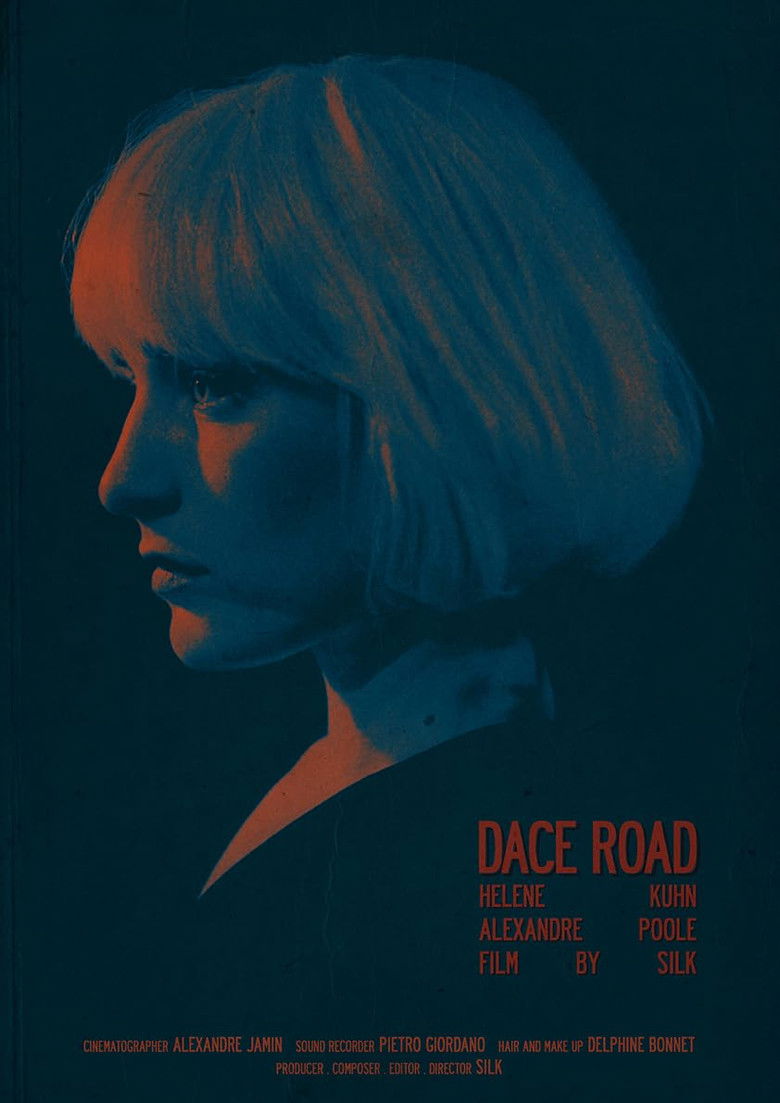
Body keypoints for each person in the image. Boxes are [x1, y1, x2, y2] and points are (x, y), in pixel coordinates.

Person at [64, 55, 704, 893]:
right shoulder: (362, 787)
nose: (122, 479)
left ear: (447, 394)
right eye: (130, 378)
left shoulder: (433, 853)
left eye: (215, 383)